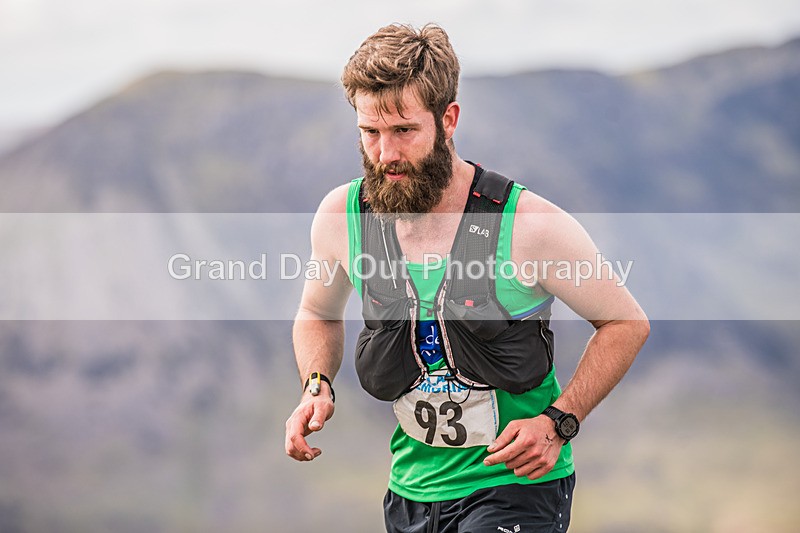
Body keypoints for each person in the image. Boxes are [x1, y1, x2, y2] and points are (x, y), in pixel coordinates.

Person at [285, 23, 649, 532]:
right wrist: (316, 385)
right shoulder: (341, 217)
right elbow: (317, 314)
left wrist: (559, 422)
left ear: (448, 118)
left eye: (404, 131)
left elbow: (626, 323)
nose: (385, 154)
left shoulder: (528, 224)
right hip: (411, 491)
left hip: (515, 488)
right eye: (370, 132)